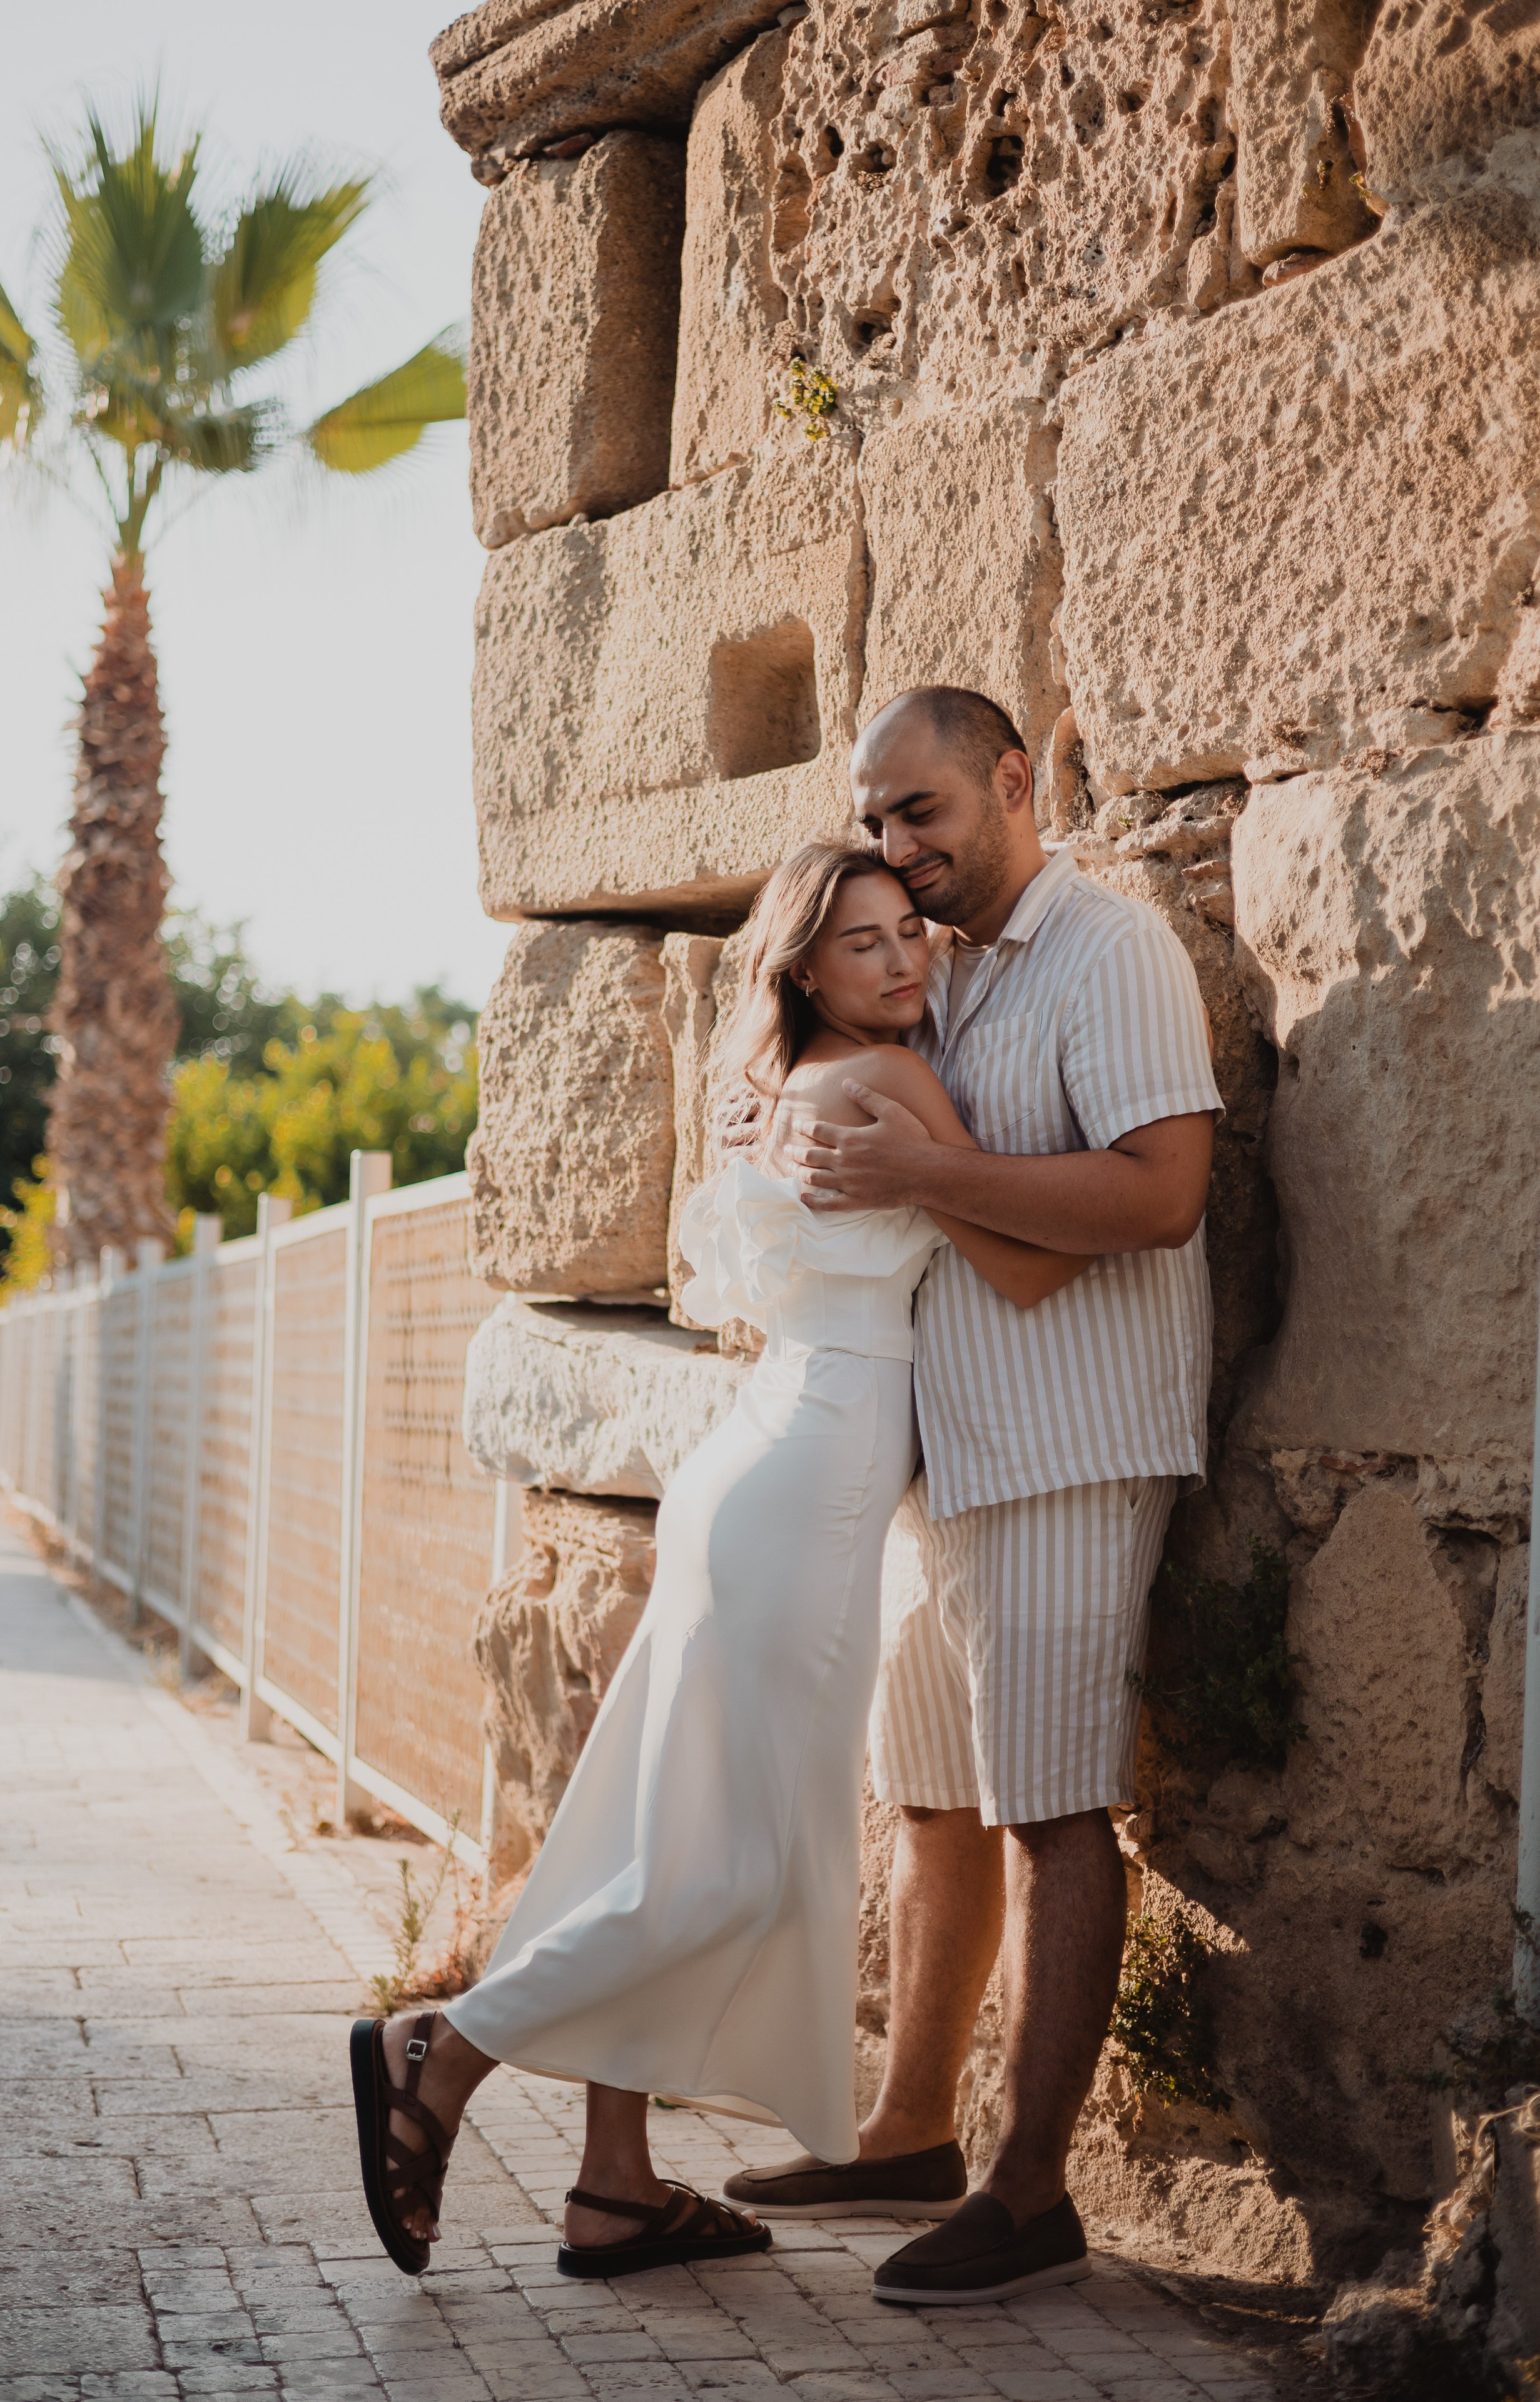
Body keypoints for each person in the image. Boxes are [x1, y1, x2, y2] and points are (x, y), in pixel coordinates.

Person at [349, 838, 1090, 2282]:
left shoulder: (779, 1087)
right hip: (805, 1485)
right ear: (803, 963)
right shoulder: (885, 1084)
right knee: (733, 1869)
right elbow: (1024, 1253)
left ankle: (616, 2188)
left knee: (658, 1829)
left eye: (907, 937)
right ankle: (438, 2052)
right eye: (864, 942)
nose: (903, 962)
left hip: (753, 1467)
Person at [721, 686, 1222, 2308]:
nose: (898, 848)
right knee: (931, 1796)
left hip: (1076, 1445)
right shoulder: (932, 979)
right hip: (946, 1459)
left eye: (923, 811)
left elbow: (1161, 1195)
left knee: (1052, 1809)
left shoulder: (1109, 950)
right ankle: (913, 2131)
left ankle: (1030, 2189)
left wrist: (930, 1174)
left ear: (1018, 781)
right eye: (878, 819)